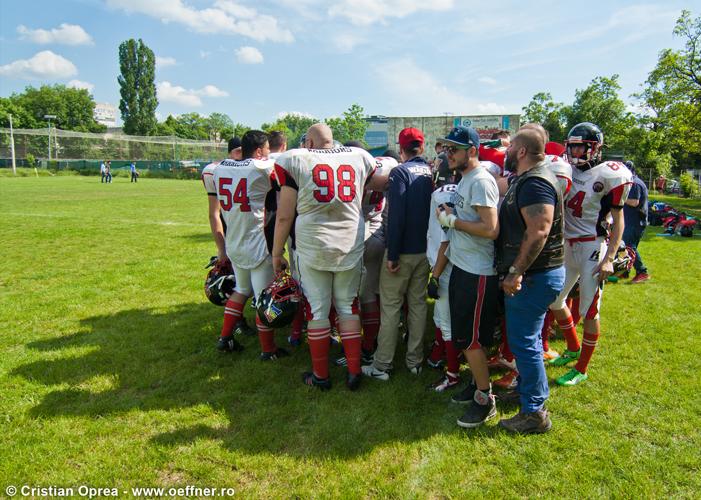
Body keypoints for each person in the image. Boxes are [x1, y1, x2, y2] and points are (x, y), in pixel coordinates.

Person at [272, 123, 387, 390]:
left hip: (313, 245)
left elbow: (285, 215)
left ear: (309, 143)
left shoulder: (295, 158)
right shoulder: (358, 157)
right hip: (349, 243)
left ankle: (321, 375)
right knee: (348, 306)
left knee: (318, 310)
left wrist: (277, 253)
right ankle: (354, 371)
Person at [547, 122, 632, 386]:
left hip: (592, 246)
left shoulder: (609, 174)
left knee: (589, 310)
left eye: (579, 146)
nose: (573, 151)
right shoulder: (565, 168)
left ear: (594, 148)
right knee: (555, 300)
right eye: (571, 145)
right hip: (567, 244)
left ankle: (582, 367)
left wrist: (609, 259)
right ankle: (572, 347)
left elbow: (619, 220)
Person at [494, 129, 566, 434]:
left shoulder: (536, 181)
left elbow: (539, 230)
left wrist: (516, 271)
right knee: (529, 340)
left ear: (521, 151)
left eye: (511, 148)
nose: (507, 152)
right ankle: (527, 391)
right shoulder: (528, 177)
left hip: (535, 275)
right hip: (537, 274)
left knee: (525, 343)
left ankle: (534, 411)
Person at [433, 126, 500, 428]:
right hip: (463, 267)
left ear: (472, 151)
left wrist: (453, 220)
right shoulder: (466, 178)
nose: (448, 154)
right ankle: (476, 385)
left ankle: (486, 400)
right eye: (447, 149)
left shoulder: (481, 180)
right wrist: (452, 214)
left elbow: (490, 229)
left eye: (454, 149)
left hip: (477, 271)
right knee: (466, 337)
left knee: (471, 340)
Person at [362, 127, 433, 381]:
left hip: (402, 250)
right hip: (424, 249)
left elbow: (397, 215)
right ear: (421, 147)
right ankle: (414, 360)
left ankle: (382, 365)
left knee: (391, 307)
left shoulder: (400, 172)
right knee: (417, 304)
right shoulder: (430, 171)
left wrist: (392, 253)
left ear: (400, 148)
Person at [214, 130, 286, 359]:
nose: (268, 154)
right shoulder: (261, 167)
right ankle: (268, 350)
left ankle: (225, 338)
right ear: (258, 151)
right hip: (257, 241)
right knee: (263, 298)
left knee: (241, 290)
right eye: (266, 150)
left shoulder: (221, 167)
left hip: (234, 241)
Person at [622, 160, 650, 283]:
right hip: (632, 220)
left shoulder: (635, 183)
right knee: (628, 247)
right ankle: (625, 270)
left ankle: (642, 271)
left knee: (629, 247)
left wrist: (619, 198)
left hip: (635, 222)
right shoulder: (633, 181)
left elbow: (634, 202)